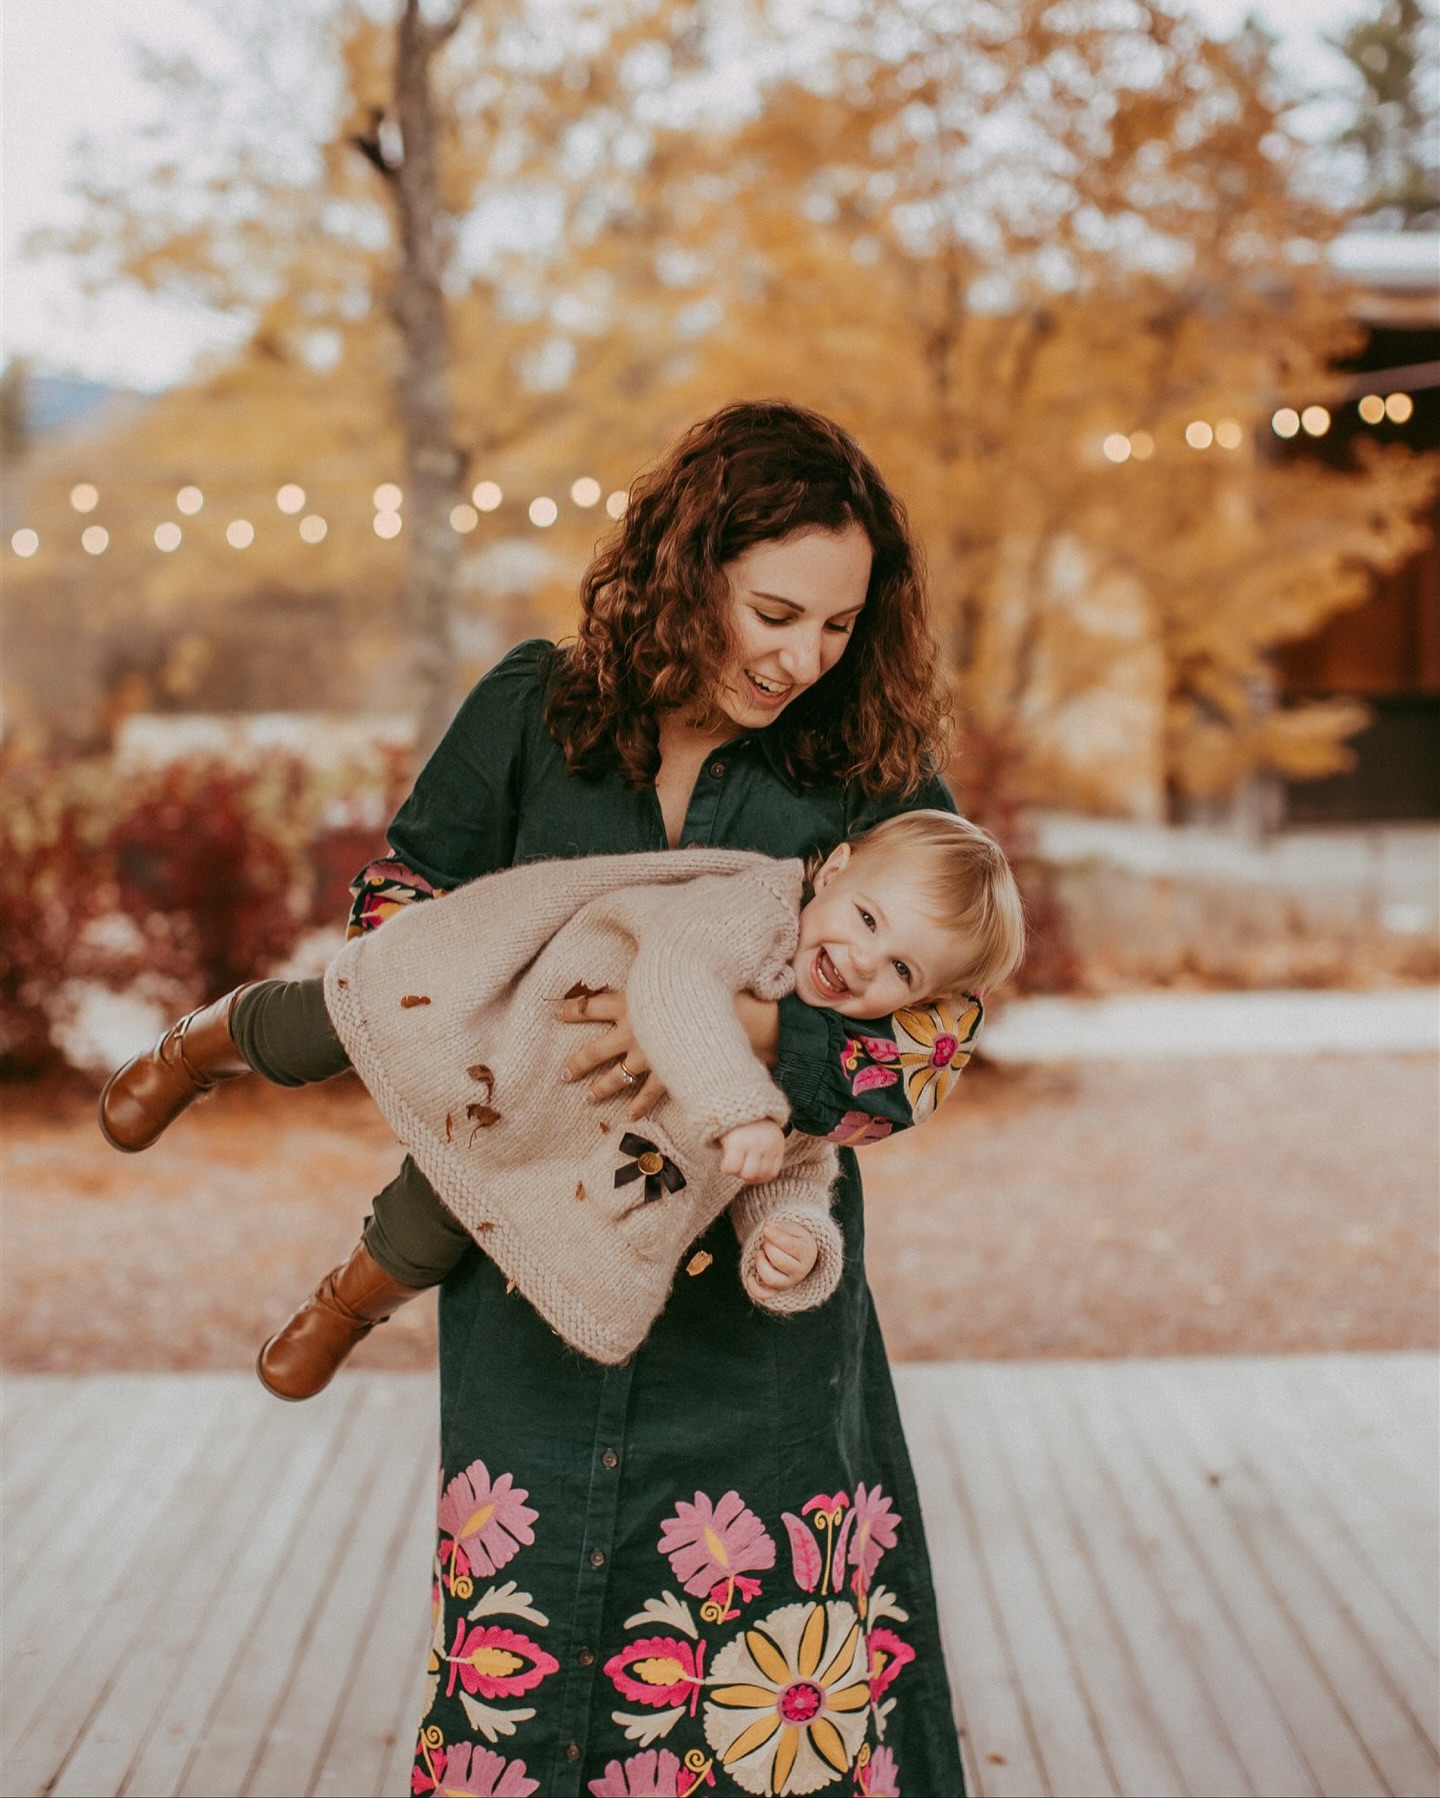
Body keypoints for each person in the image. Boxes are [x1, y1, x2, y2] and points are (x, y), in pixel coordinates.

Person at [100, 400, 996, 1795]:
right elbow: (397, 911)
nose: (801, 656)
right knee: (530, 1685)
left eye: (836, 626)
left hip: (753, 1346)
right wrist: (514, 1015)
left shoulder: (868, 772)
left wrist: (753, 1027)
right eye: (773, 609)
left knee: (766, 1704)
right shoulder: (534, 709)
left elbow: (933, 1040)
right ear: (689, 562)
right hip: (524, 1298)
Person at [101, 812, 1023, 1391]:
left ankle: (345, 1308)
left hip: (559, 1123)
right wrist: (737, 1108)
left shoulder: (817, 1061)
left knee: (443, 1212)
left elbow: (797, 1162)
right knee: (345, 1014)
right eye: (866, 921)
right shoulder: (756, 905)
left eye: (899, 969)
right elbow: (671, 982)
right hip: (527, 1006)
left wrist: (796, 1243)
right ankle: (199, 1050)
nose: (863, 962)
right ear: (835, 871)